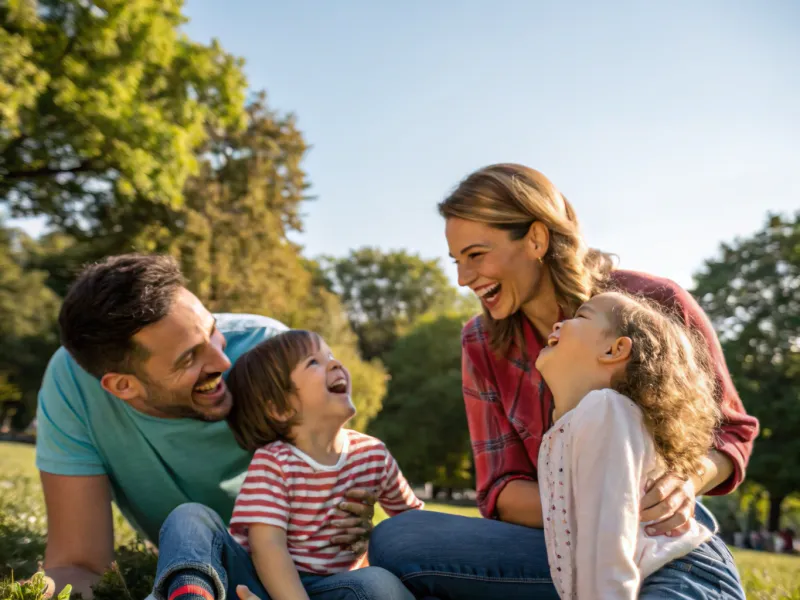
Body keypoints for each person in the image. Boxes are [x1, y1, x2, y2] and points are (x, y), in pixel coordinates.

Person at [368, 164, 759, 599]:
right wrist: (594, 507)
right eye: (457, 261)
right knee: (398, 539)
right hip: (555, 545)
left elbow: (731, 431)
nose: (463, 278)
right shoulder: (480, 342)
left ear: (536, 239)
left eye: (476, 255)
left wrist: (683, 484)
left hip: (659, 540)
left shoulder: (652, 303)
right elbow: (499, 488)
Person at [33, 255, 375, 599]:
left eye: (213, 331)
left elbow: (341, 519)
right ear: (123, 386)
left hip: (297, 572)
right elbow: (79, 565)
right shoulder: (73, 385)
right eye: (189, 358)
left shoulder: (274, 357)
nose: (223, 362)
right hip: (195, 559)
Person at [156, 329, 422, 600]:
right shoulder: (275, 462)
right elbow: (268, 546)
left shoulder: (373, 455)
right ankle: (193, 594)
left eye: (330, 355)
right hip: (257, 586)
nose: (335, 363)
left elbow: (415, 525)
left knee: (377, 584)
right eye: (313, 362)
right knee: (189, 517)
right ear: (281, 409)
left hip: (333, 589)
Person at [535, 291, 721, 598]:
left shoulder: (604, 410)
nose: (558, 324)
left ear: (615, 349)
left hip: (680, 573)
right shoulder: (572, 426)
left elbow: (608, 542)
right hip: (654, 574)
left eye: (580, 316)